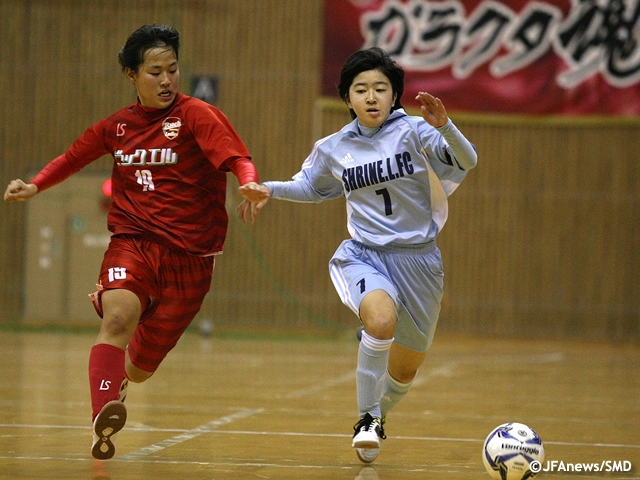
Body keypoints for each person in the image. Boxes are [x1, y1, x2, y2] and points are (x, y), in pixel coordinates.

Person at [4, 24, 261, 460]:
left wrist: (250, 183)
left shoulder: (197, 115)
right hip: (133, 242)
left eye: (172, 70)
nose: (166, 80)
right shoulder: (117, 127)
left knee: (140, 370)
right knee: (118, 318)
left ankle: (121, 380)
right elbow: (72, 158)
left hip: (191, 258)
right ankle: (101, 419)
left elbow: (236, 157)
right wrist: (35, 186)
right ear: (131, 74)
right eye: (155, 72)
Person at [238, 47, 477, 463]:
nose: (371, 96)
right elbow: (311, 187)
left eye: (380, 88)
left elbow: (467, 160)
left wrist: (446, 126)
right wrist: (269, 189)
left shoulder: (416, 131)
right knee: (381, 321)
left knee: (405, 370)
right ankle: (366, 419)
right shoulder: (334, 147)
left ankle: (379, 414)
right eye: (361, 89)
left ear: (394, 95)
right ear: (347, 98)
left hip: (420, 262)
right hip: (365, 255)